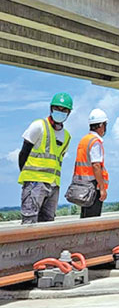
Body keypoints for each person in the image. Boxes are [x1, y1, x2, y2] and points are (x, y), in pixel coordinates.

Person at [18, 93, 73, 224]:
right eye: (57, 108)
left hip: (53, 185)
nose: (60, 112)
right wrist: (28, 177)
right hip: (34, 183)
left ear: (69, 113)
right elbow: (23, 153)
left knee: (48, 222)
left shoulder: (66, 136)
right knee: (29, 221)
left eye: (64, 110)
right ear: (51, 108)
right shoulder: (38, 126)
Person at [70, 109, 110, 218]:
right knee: (92, 219)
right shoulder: (95, 142)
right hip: (93, 186)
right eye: (105, 125)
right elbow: (96, 165)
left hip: (83, 186)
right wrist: (102, 188)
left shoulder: (84, 140)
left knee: (85, 218)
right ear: (101, 125)